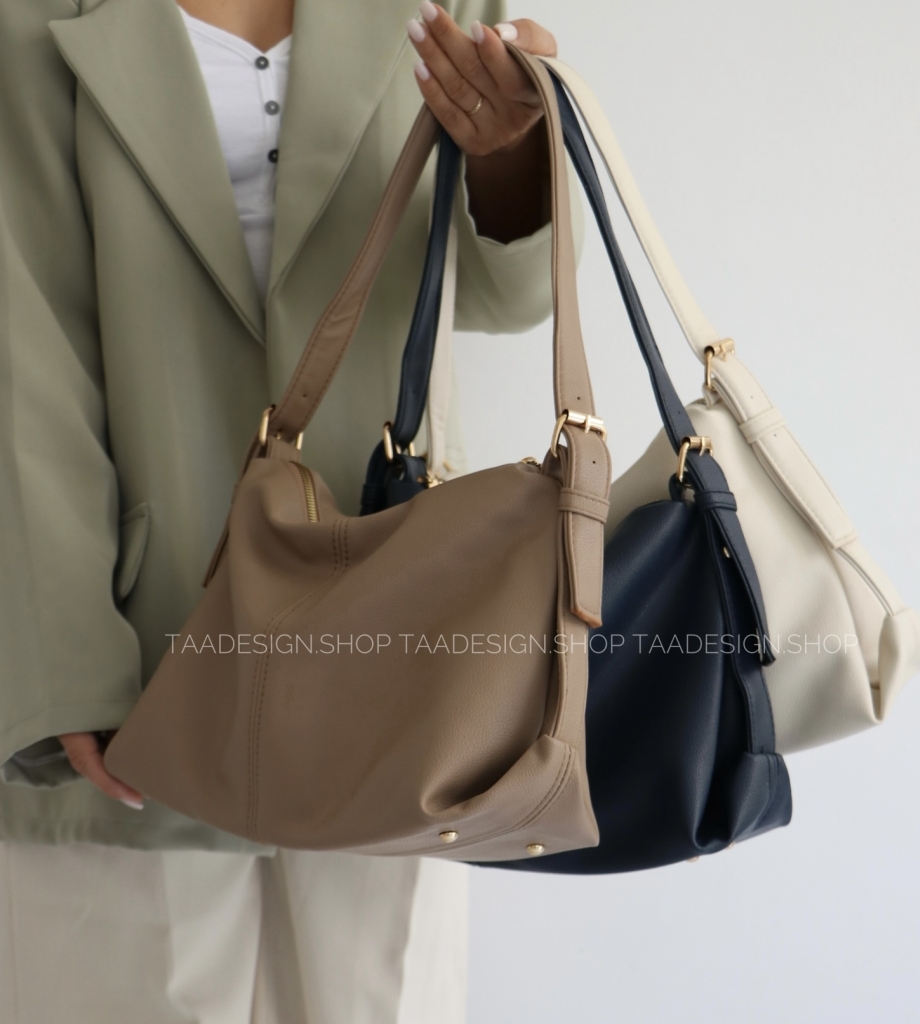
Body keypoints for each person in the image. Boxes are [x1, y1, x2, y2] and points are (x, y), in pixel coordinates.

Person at [0, 0, 569, 1019]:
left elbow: (493, 295)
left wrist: (511, 155)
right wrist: (64, 654)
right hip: (141, 638)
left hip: (398, 630)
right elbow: (23, 341)